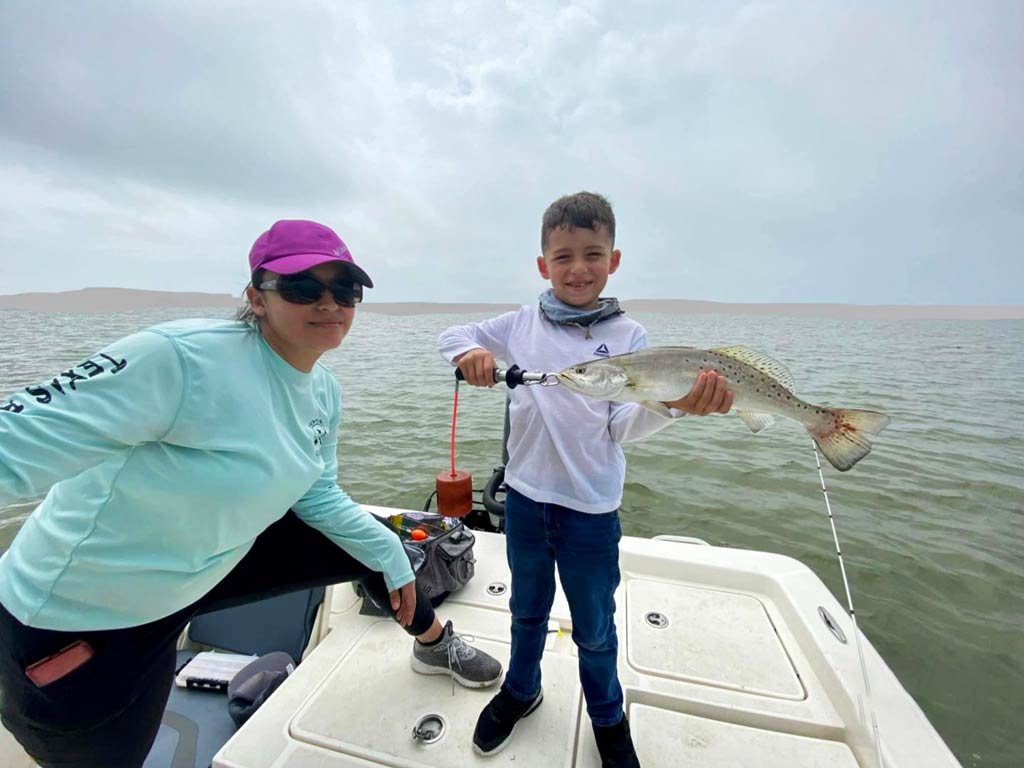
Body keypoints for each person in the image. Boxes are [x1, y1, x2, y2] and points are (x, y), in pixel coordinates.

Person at [0, 219, 502, 768]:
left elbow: (315, 494)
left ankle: (432, 643)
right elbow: (13, 444)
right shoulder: (179, 358)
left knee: (371, 544)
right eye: (302, 287)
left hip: (201, 570)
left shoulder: (322, 389)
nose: (329, 302)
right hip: (86, 619)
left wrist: (390, 555)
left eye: (345, 289)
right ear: (255, 298)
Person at [438, 192, 733, 767]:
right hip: (524, 501)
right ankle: (521, 691)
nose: (578, 268)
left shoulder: (631, 338)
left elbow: (621, 427)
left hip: (592, 510)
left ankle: (607, 716)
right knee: (526, 611)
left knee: (595, 629)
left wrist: (676, 406)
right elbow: (451, 336)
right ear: (542, 264)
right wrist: (471, 353)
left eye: (592, 254)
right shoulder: (519, 325)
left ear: (614, 261)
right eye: (564, 255)